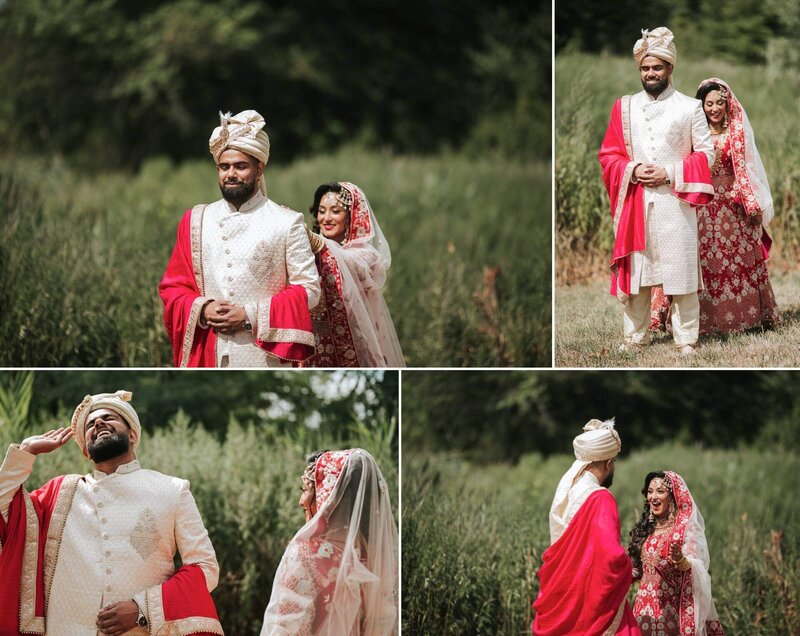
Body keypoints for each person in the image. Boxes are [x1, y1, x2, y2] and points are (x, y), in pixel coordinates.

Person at [0, 390, 222, 635]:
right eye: (90, 425)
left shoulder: (172, 489)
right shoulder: (60, 493)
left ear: (133, 433)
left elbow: (205, 567)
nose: (98, 422)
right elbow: (4, 510)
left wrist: (142, 609)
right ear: (86, 450)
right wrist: (26, 452)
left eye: (109, 417)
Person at [160, 109, 321, 367]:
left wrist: (249, 315)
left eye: (240, 166)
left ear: (259, 170)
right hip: (208, 356)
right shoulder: (195, 220)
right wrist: (202, 309)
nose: (230, 174)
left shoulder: (287, 221)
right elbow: (172, 288)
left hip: (264, 358)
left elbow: (309, 289)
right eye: (224, 167)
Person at [598, 27, 715, 356]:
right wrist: (632, 169)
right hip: (637, 201)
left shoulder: (690, 108)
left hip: (676, 201)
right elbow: (609, 155)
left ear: (670, 69)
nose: (650, 73)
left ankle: (686, 339)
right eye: (645, 68)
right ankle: (635, 337)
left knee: (682, 275)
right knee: (638, 276)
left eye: (657, 67)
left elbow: (706, 154)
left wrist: (669, 172)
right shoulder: (625, 107)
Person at [651, 79, 780, 335]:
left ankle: (748, 316)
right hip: (703, 203)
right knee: (699, 258)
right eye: (709, 103)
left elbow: (748, 168)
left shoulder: (737, 131)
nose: (714, 108)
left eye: (719, 103)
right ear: (701, 105)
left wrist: (749, 200)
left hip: (732, 204)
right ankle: (693, 321)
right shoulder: (694, 131)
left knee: (740, 254)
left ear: (727, 103)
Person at [261, 449, 398, 635]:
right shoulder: (382, 561)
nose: (302, 501)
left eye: (307, 490)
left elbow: (286, 630)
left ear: (330, 499)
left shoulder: (306, 555)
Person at [532, 419, 641, 635]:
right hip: (589, 605)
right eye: (615, 462)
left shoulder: (566, 493)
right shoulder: (601, 498)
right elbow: (610, 556)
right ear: (608, 463)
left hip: (562, 594)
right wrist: (631, 568)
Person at [302, 182, 404, 367]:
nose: (326, 218)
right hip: (315, 345)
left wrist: (315, 241)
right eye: (322, 210)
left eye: (335, 211)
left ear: (352, 216)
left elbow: (348, 263)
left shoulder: (367, 256)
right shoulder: (308, 253)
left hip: (356, 347)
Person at [628, 471, 725, 635]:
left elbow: (698, 566)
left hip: (671, 614)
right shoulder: (646, 530)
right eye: (650, 491)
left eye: (660, 491)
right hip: (643, 613)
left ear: (673, 496)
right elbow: (639, 569)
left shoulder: (684, 530)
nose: (653, 497)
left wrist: (680, 560)